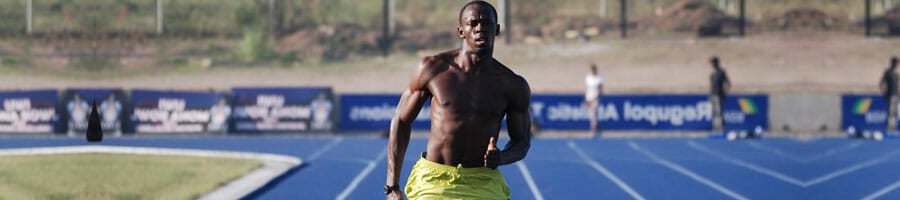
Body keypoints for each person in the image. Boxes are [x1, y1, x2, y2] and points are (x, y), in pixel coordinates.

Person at [385, 1, 532, 199]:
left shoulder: (512, 85)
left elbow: (521, 141)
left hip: (483, 182)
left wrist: (502, 157)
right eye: (473, 23)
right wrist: (392, 185)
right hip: (434, 180)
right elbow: (401, 121)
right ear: (461, 31)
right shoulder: (433, 69)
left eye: (487, 23)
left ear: (496, 30)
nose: (480, 28)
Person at [709, 56, 730, 131]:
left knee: (719, 111)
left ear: (716, 62)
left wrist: (725, 92)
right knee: (714, 112)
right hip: (713, 95)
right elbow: (712, 85)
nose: (712, 64)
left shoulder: (721, 72)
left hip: (719, 95)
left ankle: (721, 126)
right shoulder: (712, 73)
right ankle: (715, 126)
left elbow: (728, 83)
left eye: (713, 62)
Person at [584, 63, 604, 137]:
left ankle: (593, 129)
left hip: (595, 97)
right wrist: (586, 98)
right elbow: (587, 88)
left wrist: (598, 96)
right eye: (592, 69)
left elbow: (601, 89)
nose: (593, 70)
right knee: (591, 113)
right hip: (589, 97)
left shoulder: (599, 78)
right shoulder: (588, 78)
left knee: (594, 113)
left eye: (594, 69)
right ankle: (594, 128)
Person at [880, 56, 899, 131]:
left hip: (896, 95)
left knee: (895, 112)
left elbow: (897, 84)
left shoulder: (896, 73)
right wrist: (884, 91)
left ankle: (893, 126)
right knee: (890, 111)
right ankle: (889, 126)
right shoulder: (888, 72)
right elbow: (882, 83)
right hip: (890, 94)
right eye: (896, 63)